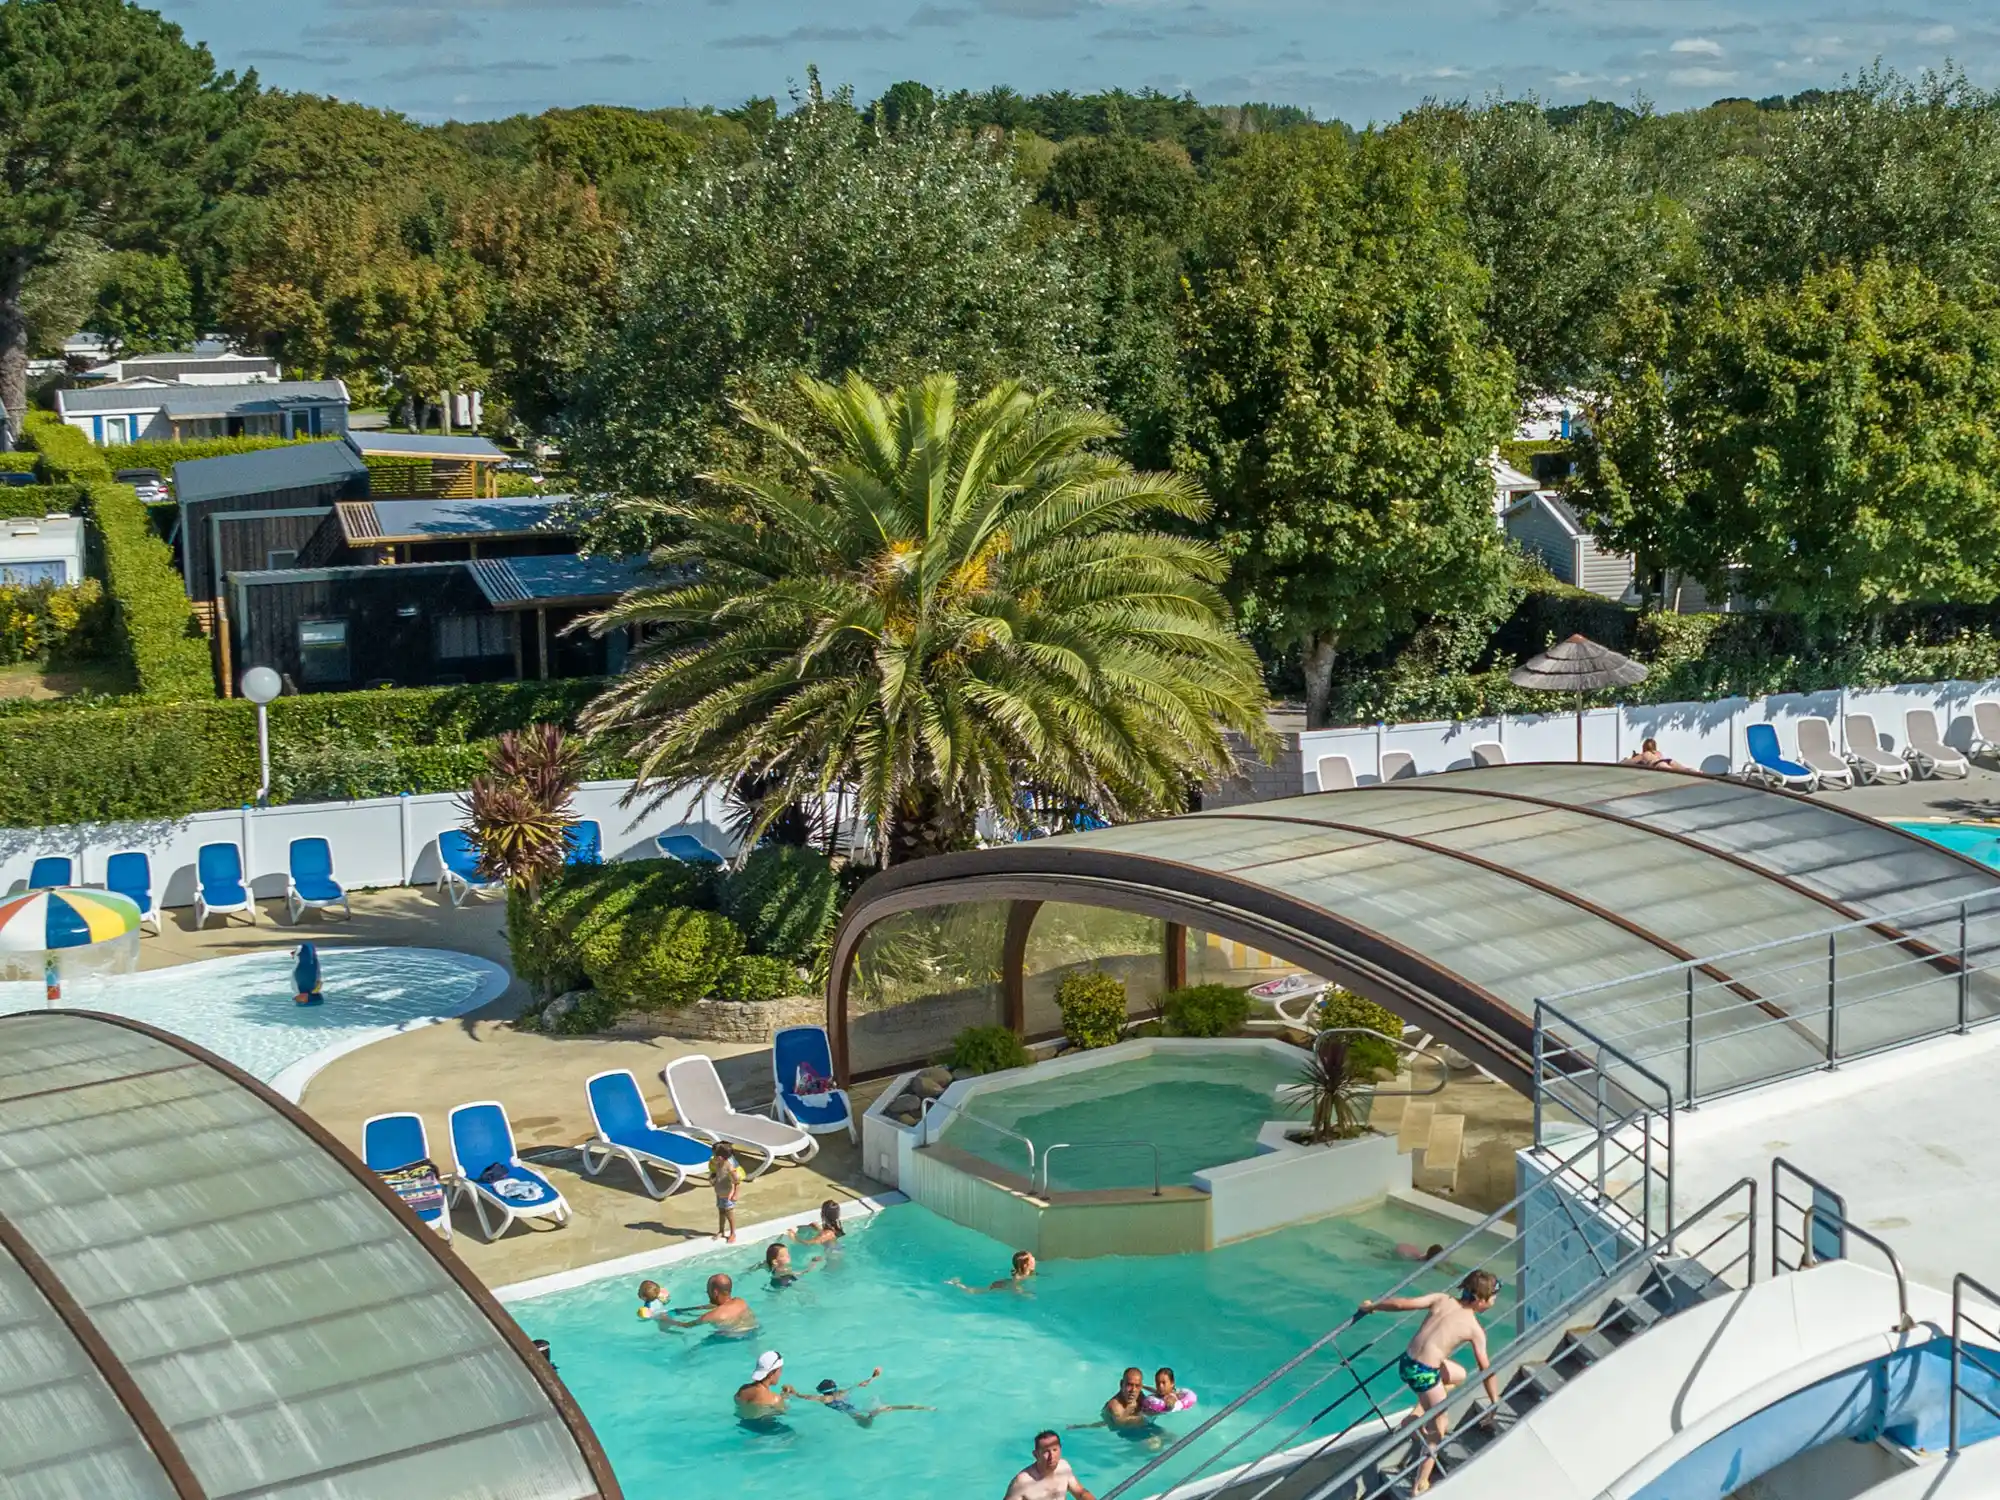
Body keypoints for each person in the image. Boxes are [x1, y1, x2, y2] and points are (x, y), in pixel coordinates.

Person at [1357, 1270, 1504, 1493]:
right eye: (1493, 1297)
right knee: (1439, 1429)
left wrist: (1372, 1306)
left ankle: (1417, 1414)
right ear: (1482, 1300)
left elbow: (1402, 1304)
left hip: (1406, 1363)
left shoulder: (1441, 1299)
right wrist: (1495, 1400)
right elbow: (1486, 1368)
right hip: (1425, 1375)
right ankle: (1420, 1482)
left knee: (1459, 1375)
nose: (1494, 1301)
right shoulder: (1474, 1329)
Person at [790, 1366, 934, 1427]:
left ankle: (873, 1414)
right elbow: (860, 1385)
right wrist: (873, 1377)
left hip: (852, 1412)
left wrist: (795, 1393)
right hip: (855, 1406)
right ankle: (923, 1407)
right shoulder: (842, 1393)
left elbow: (809, 1398)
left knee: (866, 1425)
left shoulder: (827, 1399)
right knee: (889, 1408)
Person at [1003, 1430, 1097, 1500]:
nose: (1052, 1456)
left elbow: (1080, 1493)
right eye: (1046, 1452)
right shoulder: (1022, 1482)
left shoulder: (1064, 1468)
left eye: (1055, 1450)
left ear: (1060, 1449)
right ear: (1036, 1455)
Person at [661, 1273, 756, 1336]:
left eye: (708, 1291)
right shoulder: (740, 1301)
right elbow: (720, 1307)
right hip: (753, 1332)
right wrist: (684, 1310)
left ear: (715, 1293)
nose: (707, 1293)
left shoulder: (711, 1316)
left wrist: (666, 1319)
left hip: (732, 1339)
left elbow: (685, 1325)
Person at [734, 1349, 790, 1431]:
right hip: (765, 1430)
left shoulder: (742, 1390)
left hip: (743, 1425)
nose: (780, 1374)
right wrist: (785, 1396)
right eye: (780, 1370)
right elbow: (783, 1412)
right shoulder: (774, 1399)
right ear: (772, 1373)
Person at [951, 1250, 1036, 1294]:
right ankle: (957, 1284)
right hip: (1001, 1285)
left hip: (1003, 1283)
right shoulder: (1018, 1277)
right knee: (979, 1291)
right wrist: (1024, 1294)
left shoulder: (1028, 1273)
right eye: (1032, 1258)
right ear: (1025, 1265)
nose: (1034, 1259)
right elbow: (1016, 1287)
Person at [711, 1142, 744, 1243]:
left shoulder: (729, 1167)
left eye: (715, 1155)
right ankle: (721, 1231)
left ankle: (732, 1233)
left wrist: (735, 1194)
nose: (713, 1157)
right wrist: (713, 1179)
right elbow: (717, 1174)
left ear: (720, 1157)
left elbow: (737, 1181)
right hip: (719, 1192)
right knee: (721, 1212)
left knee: (729, 1215)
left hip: (728, 1195)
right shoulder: (718, 1164)